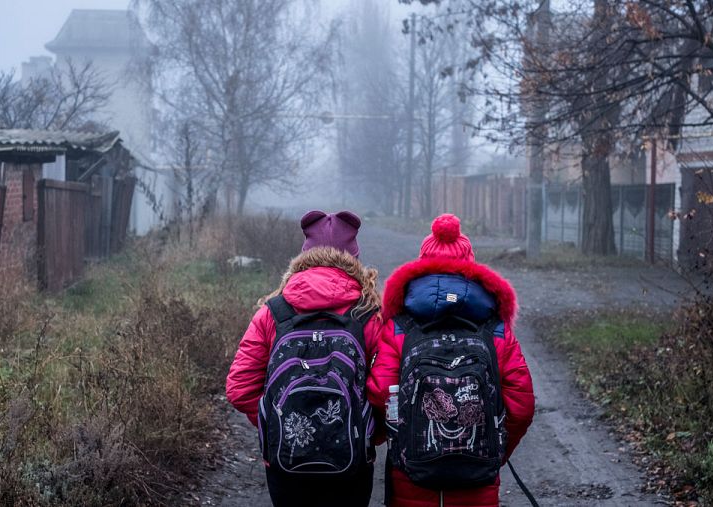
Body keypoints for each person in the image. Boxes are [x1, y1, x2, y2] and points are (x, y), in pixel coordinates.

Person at [369, 214, 535, 507]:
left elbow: (381, 393)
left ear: (421, 265)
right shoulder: (495, 329)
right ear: (471, 267)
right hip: (477, 480)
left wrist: (398, 439)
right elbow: (521, 407)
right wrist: (495, 448)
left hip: (412, 477)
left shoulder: (399, 327)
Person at [226, 210, 386, 507]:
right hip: (352, 461)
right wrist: (366, 432)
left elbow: (239, 388)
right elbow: (385, 389)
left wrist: (276, 424)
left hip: (286, 459)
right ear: (353, 259)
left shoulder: (273, 312)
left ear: (303, 257)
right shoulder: (368, 315)